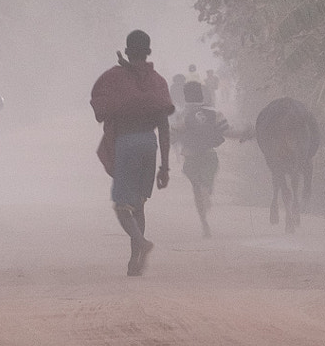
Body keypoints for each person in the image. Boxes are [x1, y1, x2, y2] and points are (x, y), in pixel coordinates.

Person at [89, 29, 174, 276]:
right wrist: (165, 166)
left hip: (126, 144)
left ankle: (140, 242)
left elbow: (101, 107)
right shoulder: (157, 81)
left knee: (121, 206)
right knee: (138, 205)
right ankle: (134, 260)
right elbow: (164, 127)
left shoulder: (115, 78)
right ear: (148, 53)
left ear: (127, 51)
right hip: (149, 144)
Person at [172, 79, 229, 236]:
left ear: (185, 97)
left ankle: (204, 224)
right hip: (209, 156)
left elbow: (173, 135)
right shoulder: (213, 112)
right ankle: (206, 192)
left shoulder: (183, 115)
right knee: (206, 185)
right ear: (202, 95)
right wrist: (246, 133)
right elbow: (227, 131)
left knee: (196, 190)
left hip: (190, 158)